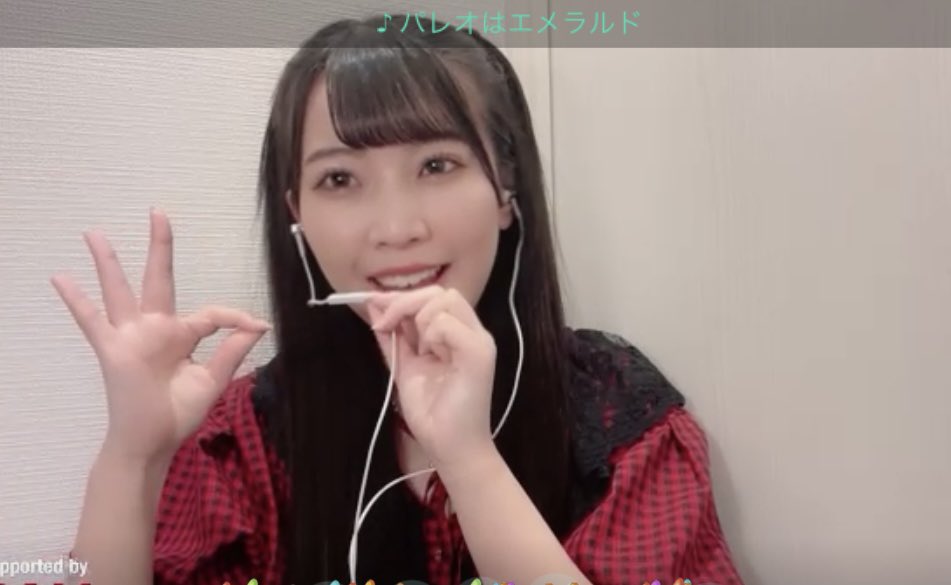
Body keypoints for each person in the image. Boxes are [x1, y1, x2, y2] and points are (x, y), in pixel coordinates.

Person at [50, 13, 743, 585]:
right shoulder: (245, 442)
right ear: (296, 216)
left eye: (436, 165)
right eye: (340, 180)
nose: (395, 228)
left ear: (507, 191)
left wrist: (469, 460)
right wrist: (132, 460)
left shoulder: (616, 416)